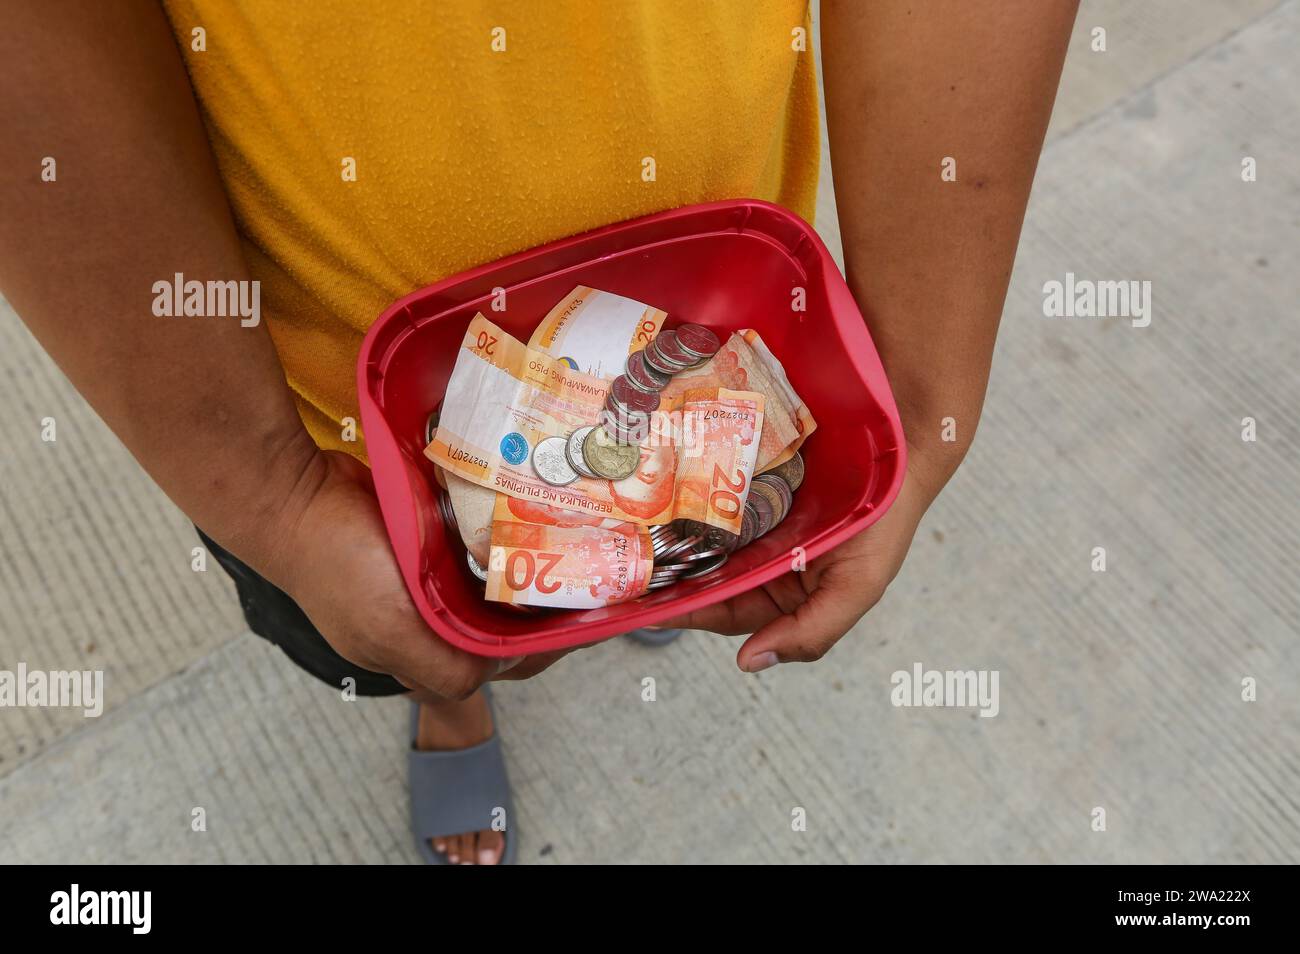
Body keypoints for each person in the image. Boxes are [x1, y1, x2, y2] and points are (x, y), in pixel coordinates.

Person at [0, 0, 1078, 864]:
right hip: (326, 420)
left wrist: (923, 405)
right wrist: (270, 494)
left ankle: (645, 556)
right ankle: (449, 707)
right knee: (404, 620)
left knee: (681, 543)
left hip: (717, 308)